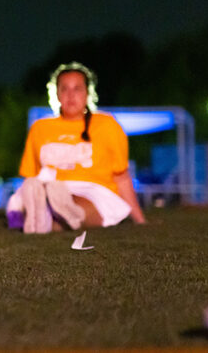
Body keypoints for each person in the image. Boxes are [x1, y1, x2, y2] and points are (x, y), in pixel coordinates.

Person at [13, 61, 146, 233]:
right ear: (56, 94)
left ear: (88, 93)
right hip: (49, 186)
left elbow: (122, 177)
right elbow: (30, 178)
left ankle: (50, 214)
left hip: (94, 192)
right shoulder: (40, 128)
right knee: (43, 194)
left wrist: (139, 219)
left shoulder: (107, 125)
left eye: (77, 88)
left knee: (71, 203)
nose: (70, 95)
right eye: (64, 89)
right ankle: (48, 214)